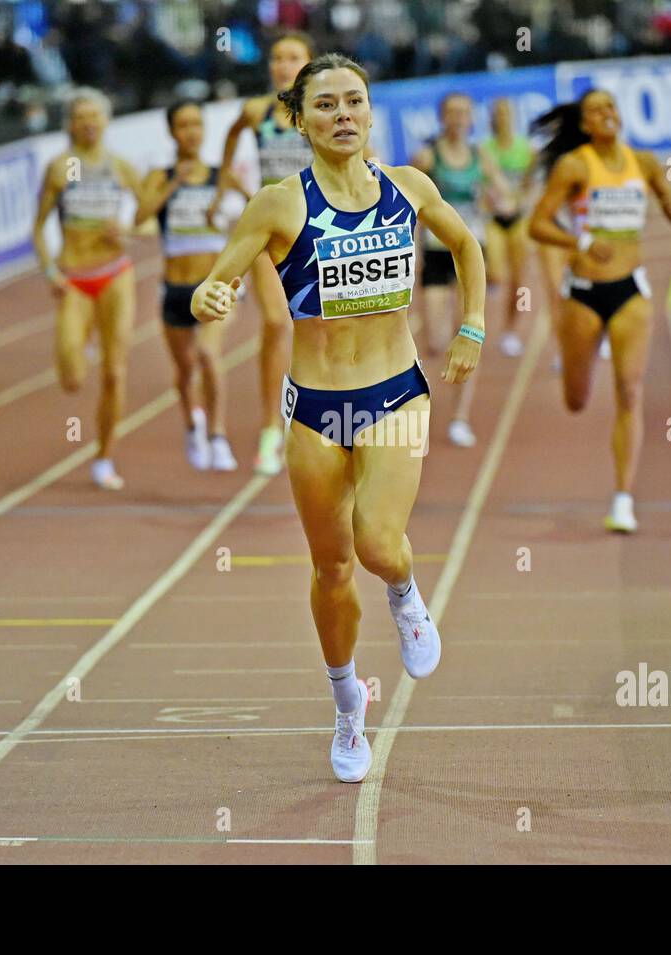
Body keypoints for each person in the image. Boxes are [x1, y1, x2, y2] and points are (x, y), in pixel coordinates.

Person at [191, 54, 485, 783]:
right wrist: (211, 296)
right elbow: (218, 277)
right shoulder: (278, 203)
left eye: (354, 100)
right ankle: (348, 704)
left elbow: (468, 243)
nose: (343, 115)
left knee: (380, 544)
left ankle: (407, 595)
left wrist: (473, 326)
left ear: (371, 112)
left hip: (395, 393)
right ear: (299, 119)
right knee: (330, 567)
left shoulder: (408, 188)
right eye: (325, 105)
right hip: (316, 408)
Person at [528, 89, 671, 533]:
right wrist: (580, 242)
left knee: (630, 391)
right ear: (585, 125)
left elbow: (669, 200)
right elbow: (537, 223)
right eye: (596, 111)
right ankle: (578, 375)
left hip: (631, 290)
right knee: (576, 400)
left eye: (612, 106)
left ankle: (622, 499)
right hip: (582, 292)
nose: (607, 115)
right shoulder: (575, 166)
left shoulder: (645, 162)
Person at [209, 31, 315, 476]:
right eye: (276, 57)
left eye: (292, 57)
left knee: (318, 328)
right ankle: (271, 428)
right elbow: (231, 141)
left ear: (309, 64)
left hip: (316, 230)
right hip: (269, 230)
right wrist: (225, 188)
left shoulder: (321, 111)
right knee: (276, 321)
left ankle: (316, 419)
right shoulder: (256, 112)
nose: (282, 64)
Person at [32, 88, 144, 491]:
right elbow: (38, 227)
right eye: (81, 116)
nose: (89, 122)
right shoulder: (61, 168)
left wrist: (129, 229)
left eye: (95, 115)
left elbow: (150, 220)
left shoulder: (121, 168)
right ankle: (84, 338)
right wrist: (49, 271)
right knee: (73, 379)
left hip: (115, 273)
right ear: (70, 124)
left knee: (115, 373)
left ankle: (104, 456)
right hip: (75, 279)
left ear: (107, 120)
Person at [135, 100, 249, 472]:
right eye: (183, 125)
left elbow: (259, 207)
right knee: (185, 370)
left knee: (207, 356)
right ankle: (192, 426)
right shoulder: (161, 175)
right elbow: (140, 216)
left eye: (197, 124)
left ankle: (217, 435)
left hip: (214, 286)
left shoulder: (221, 175)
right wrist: (174, 184)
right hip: (175, 288)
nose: (191, 132)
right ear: (172, 132)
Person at [411, 91, 511, 448]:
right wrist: (412, 247)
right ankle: (423, 401)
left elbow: (502, 193)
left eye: (464, 112)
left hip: (471, 252)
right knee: (437, 342)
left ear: (471, 119)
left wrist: (500, 201)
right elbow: (406, 203)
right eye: (451, 112)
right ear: (441, 117)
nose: (458, 118)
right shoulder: (427, 156)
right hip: (437, 254)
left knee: (468, 334)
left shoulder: (480, 156)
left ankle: (459, 418)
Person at [481, 98, 536, 359]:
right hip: (493, 220)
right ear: (492, 118)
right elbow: (478, 186)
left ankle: (510, 332)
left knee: (518, 280)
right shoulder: (483, 149)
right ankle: (491, 278)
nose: (503, 118)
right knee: (497, 274)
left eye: (507, 113)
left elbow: (528, 185)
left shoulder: (525, 149)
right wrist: (489, 201)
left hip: (518, 220)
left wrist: (519, 201)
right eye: (498, 113)